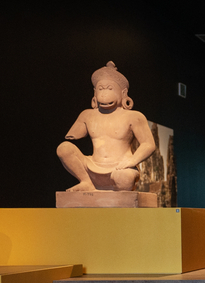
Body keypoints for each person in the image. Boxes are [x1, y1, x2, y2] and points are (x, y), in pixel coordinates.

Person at [57, 61, 157, 192]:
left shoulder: (134, 116)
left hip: (121, 168)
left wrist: (132, 161)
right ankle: (86, 182)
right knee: (64, 148)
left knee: (124, 178)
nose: (104, 93)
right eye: (100, 89)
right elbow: (72, 138)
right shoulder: (87, 115)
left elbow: (148, 144)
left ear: (123, 93)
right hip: (92, 167)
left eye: (110, 88)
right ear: (94, 92)